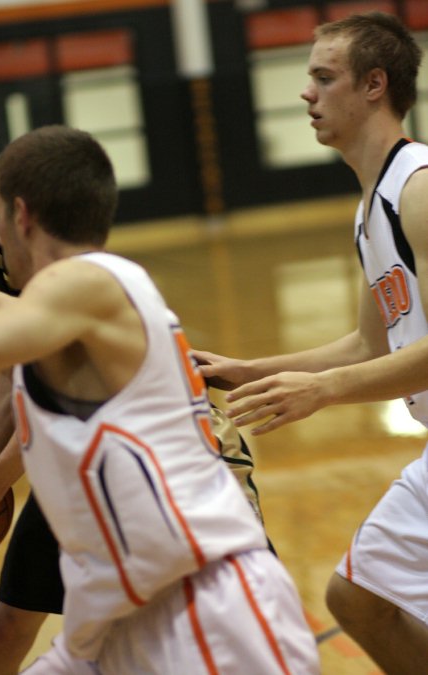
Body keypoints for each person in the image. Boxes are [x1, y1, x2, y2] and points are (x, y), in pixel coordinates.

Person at [0, 124, 319, 674]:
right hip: (118, 622)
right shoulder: (82, 294)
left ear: (21, 215)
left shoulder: (85, 284)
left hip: (204, 614)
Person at [195, 11, 428, 674]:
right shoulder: (370, 208)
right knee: (356, 598)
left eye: (325, 78)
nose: (307, 94)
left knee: (357, 594)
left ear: (375, 85)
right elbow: (367, 344)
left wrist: (322, 392)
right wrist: (247, 370)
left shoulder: (418, 188)